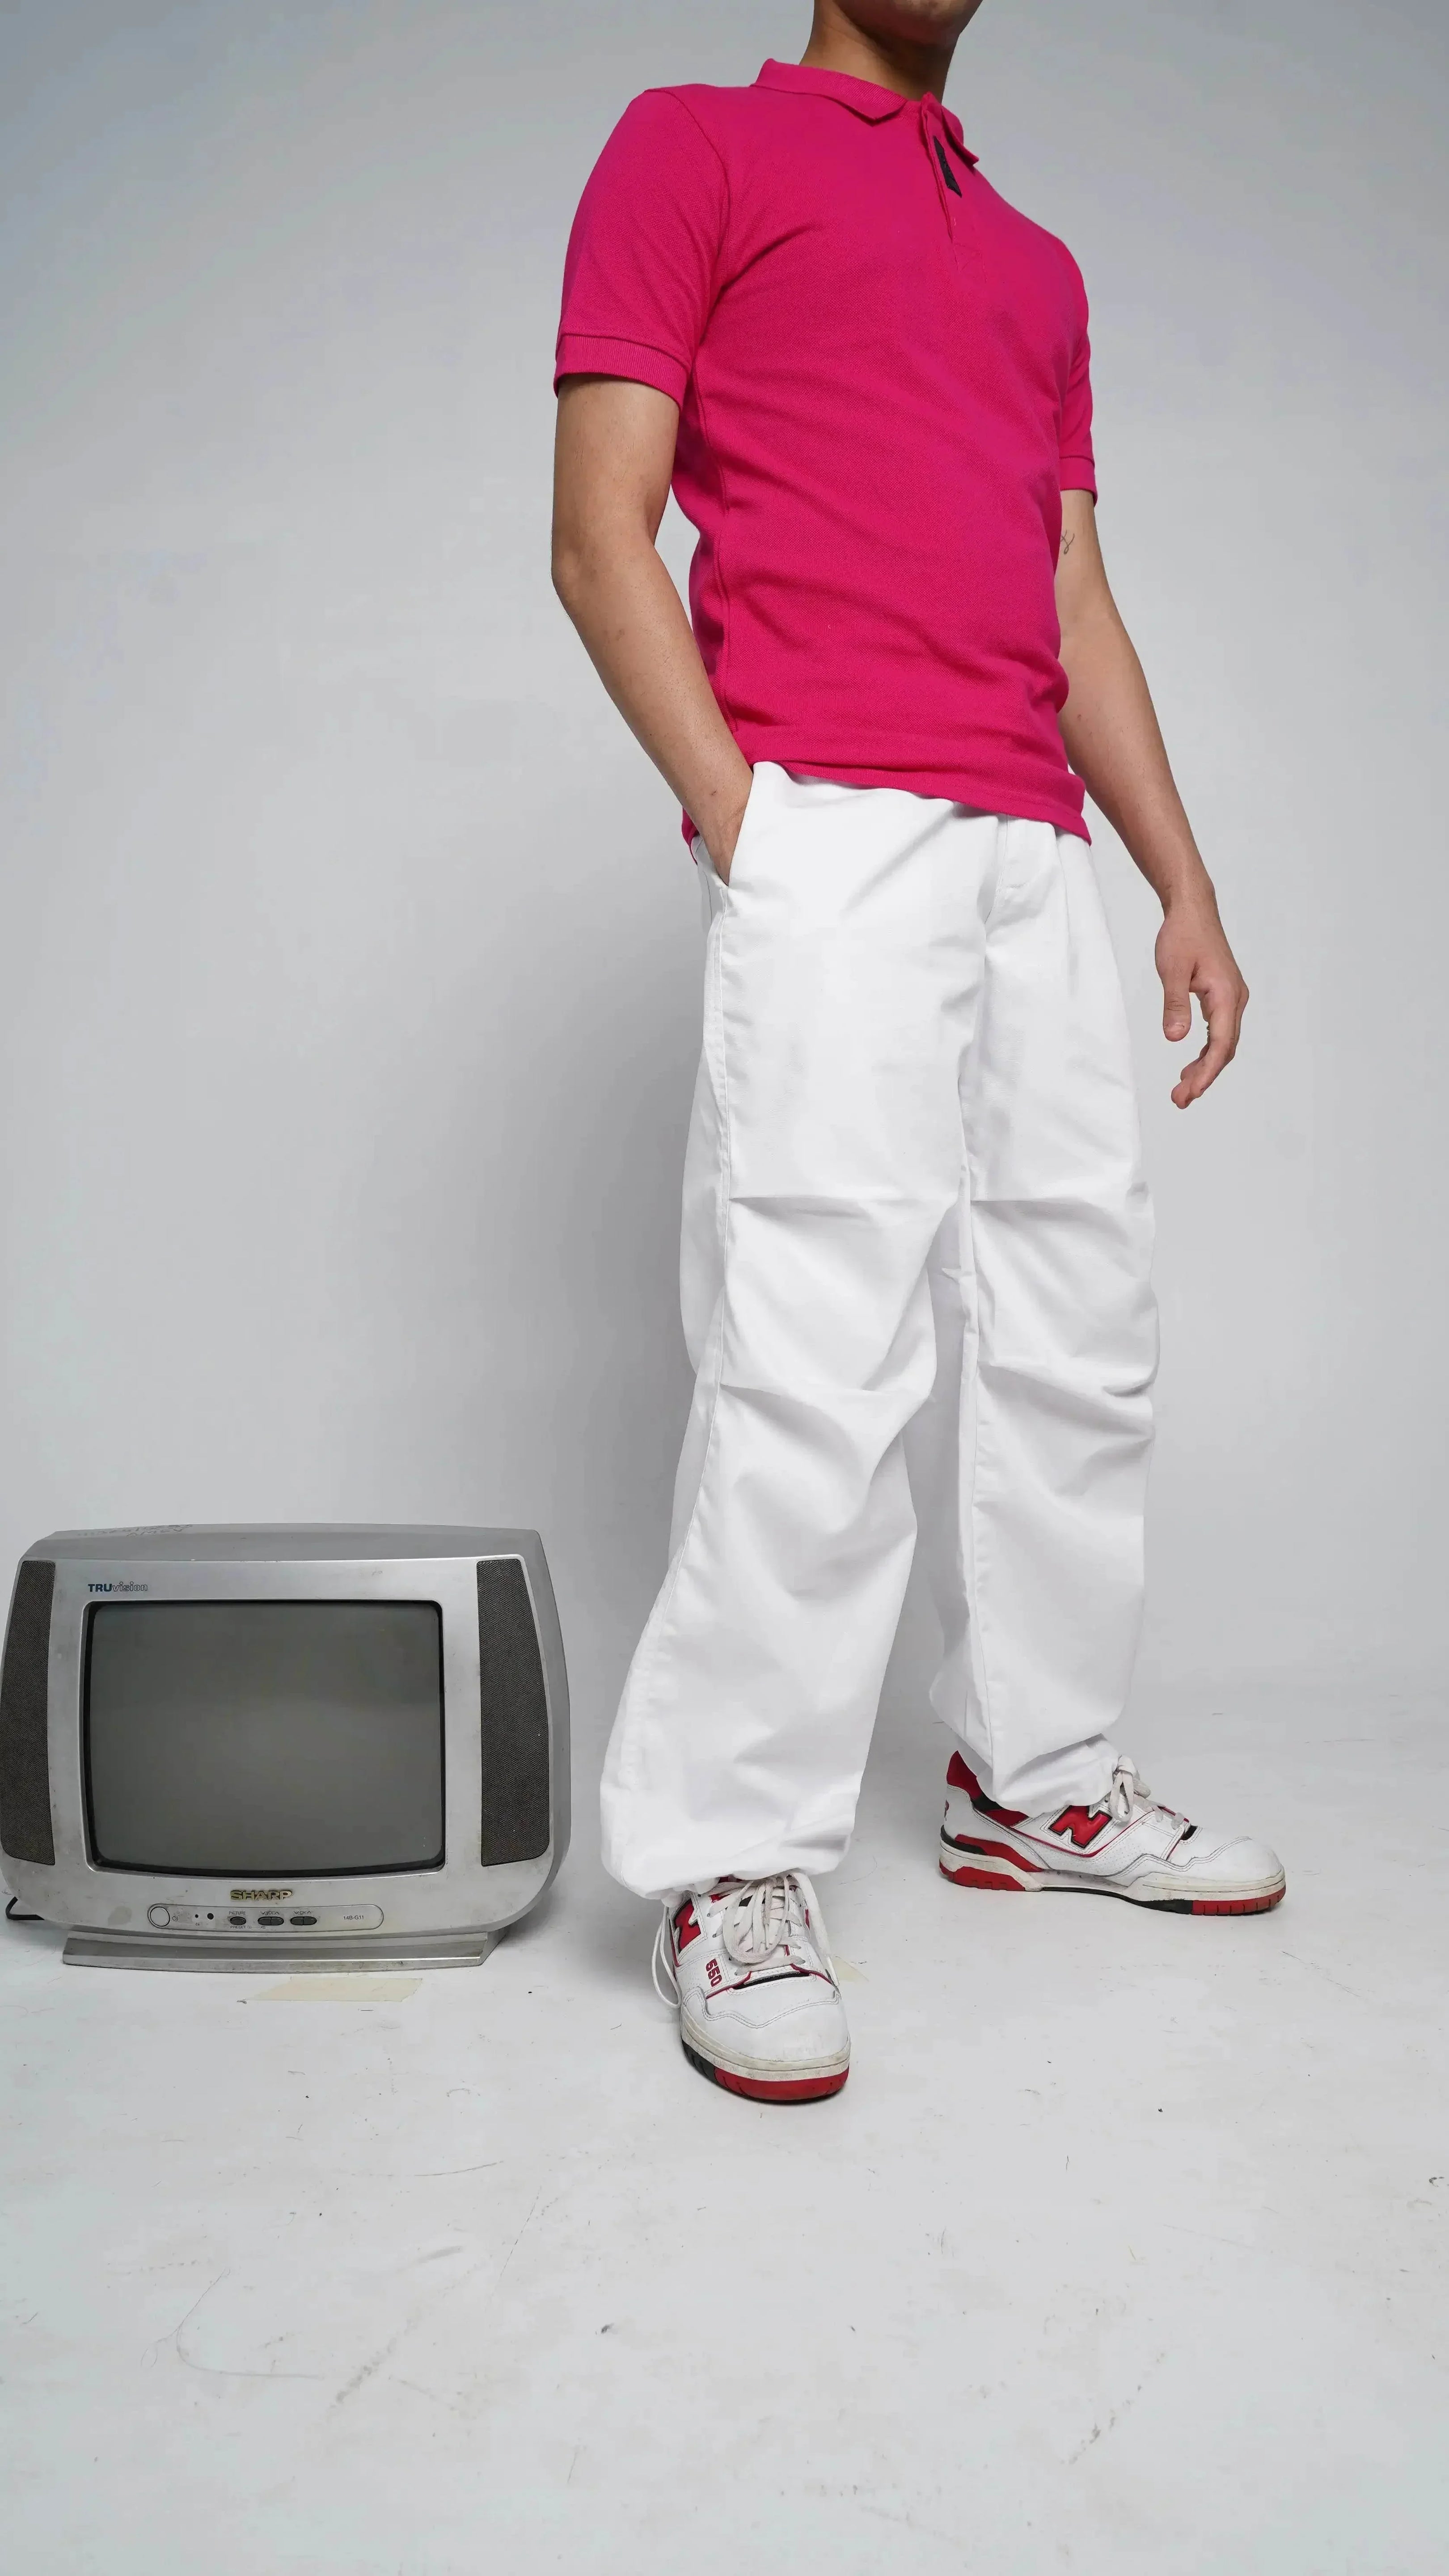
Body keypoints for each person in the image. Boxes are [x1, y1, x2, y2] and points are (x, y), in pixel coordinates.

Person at [551, 0, 1285, 2105]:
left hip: (1031, 849)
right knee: (813, 1340)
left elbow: (1071, 595)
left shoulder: (1034, 262)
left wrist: (1179, 878)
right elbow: (598, 531)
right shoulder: (692, 145)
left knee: (1078, 1323)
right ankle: (729, 1860)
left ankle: (1031, 1777)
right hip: (830, 827)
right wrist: (752, 827)